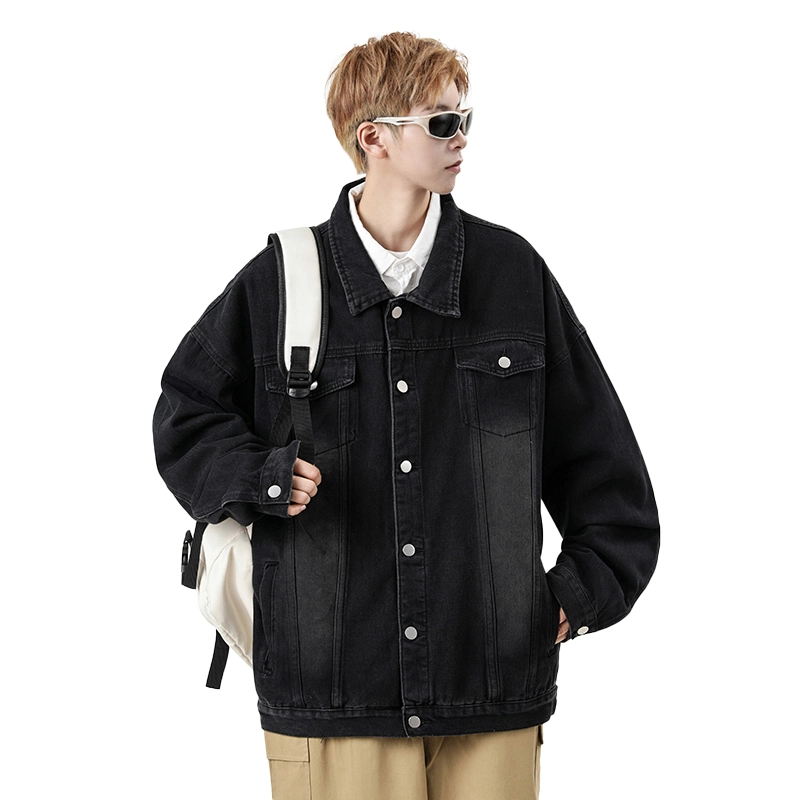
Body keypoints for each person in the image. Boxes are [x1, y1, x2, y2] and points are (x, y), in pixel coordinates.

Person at [153, 31, 659, 800]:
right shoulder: (278, 284)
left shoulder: (512, 276)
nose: (462, 138)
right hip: (332, 694)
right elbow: (185, 415)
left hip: (490, 686)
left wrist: (575, 595)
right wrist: (260, 478)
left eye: (465, 119)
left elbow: (604, 467)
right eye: (442, 122)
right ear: (375, 138)